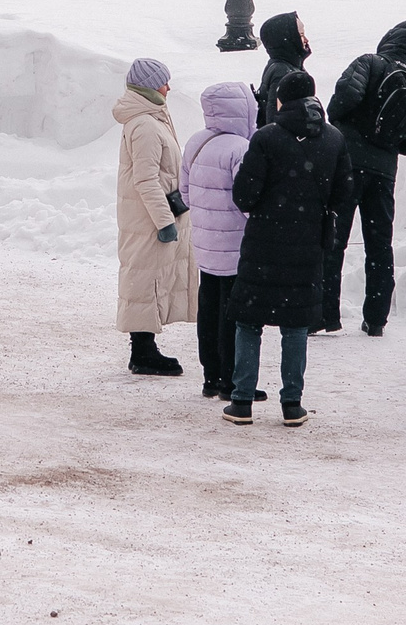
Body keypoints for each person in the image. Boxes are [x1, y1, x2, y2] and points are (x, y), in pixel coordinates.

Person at [224, 68, 352, 426]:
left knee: (249, 322)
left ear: (281, 99)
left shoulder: (266, 138)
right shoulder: (333, 139)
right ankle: (292, 404)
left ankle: (242, 401)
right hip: (308, 245)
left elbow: (244, 195)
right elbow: (344, 194)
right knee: (295, 327)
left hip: (263, 245)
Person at [320, 20, 406, 336]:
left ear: (388, 38)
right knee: (379, 245)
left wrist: (352, 128)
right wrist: (392, 144)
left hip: (346, 165)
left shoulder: (369, 63)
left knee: (334, 238)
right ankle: (376, 319)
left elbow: (342, 100)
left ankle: (324, 314)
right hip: (383, 174)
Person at [113, 57, 196, 376]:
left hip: (148, 214)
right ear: (149, 87)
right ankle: (143, 352)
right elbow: (145, 179)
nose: (169, 87)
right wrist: (164, 221)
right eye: (164, 82)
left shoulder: (150, 118)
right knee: (145, 280)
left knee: (148, 279)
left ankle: (144, 348)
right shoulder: (145, 125)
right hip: (148, 218)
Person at [181, 81, 264, 401]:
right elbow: (247, 201)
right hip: (235, 248)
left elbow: (185, 193)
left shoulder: (196, 142)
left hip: (205, 244)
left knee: (209, 307)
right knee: (233, 313)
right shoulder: (241, 148)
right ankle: (232, 380)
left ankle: (210, 376)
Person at [253, 11, 311, 128]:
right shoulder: (282, 72)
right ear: (289, 40)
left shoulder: (286, 64)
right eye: (300, 35)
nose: (306, 40)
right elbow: (275, 117)